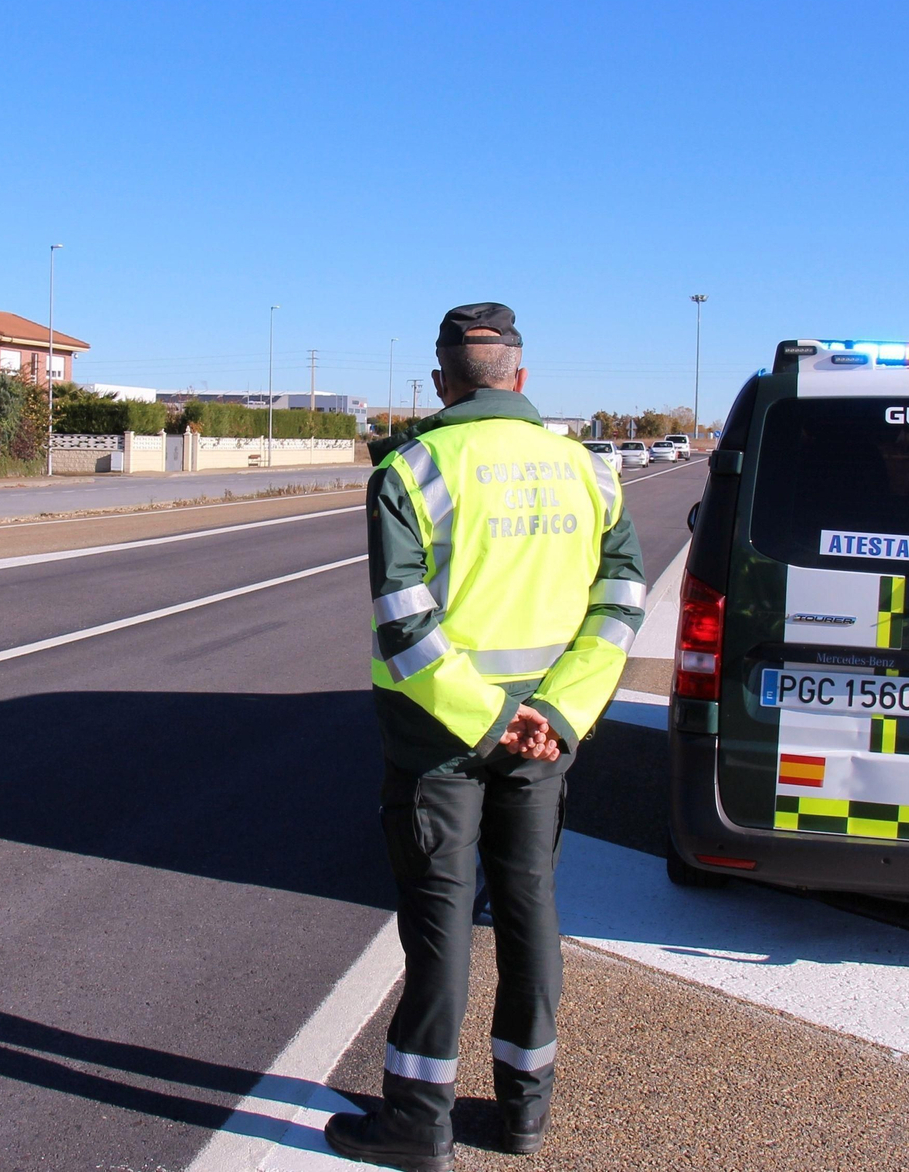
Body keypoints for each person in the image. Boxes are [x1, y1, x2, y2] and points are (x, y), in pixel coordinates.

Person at [326, 303, 645, 1171]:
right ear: (521, 377)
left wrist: (491, 717)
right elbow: (620, 605)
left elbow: (405, 623)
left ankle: (417, 1122)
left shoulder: (413, 469)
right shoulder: (590, 472)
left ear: (441, 381)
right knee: (531, 906)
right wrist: (561, 714)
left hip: (438, 737)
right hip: (545, 740)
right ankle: (523, 1113)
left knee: (439, 923)